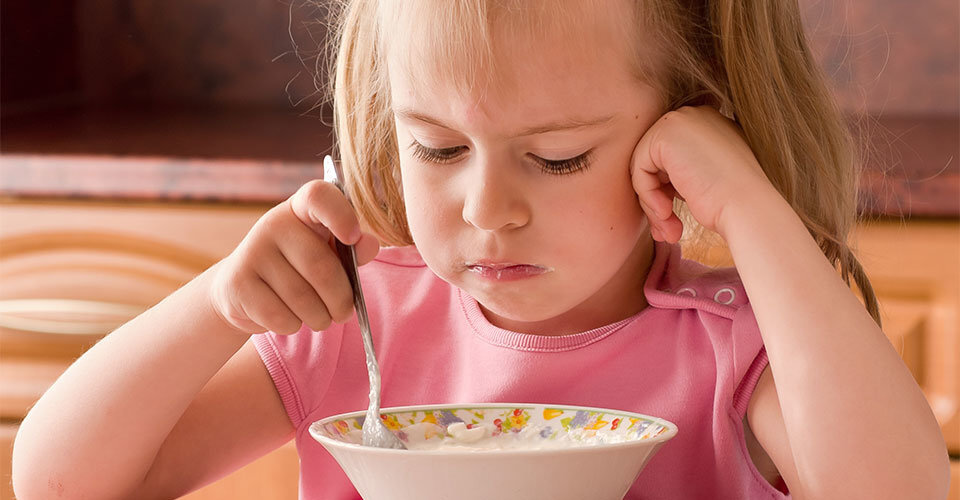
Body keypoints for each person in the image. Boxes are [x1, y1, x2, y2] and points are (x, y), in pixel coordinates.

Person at [12, 0, 950, 498]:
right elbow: (63, 481)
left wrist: (748, 204)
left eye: (557, 156)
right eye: (439, 149)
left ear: (682, 132)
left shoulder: (738, 348)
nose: (489, 208)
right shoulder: (361, 321)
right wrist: (217, 301)